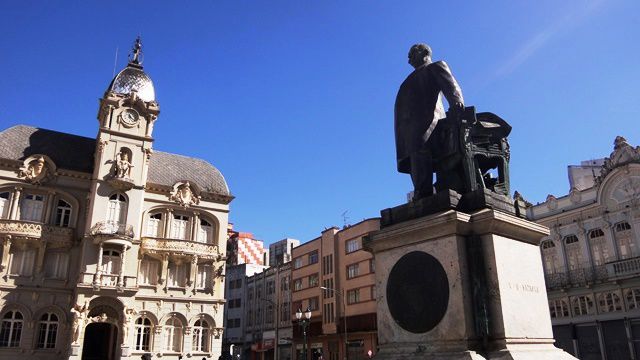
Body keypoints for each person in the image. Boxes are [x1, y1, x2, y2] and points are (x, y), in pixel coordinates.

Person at [394, 43, 464, 199]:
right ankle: (421, 192)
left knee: (422, 153)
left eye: (411, 53)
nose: (409, 59)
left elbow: (451, 86)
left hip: (429, 121)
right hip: (408, 129)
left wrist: (457, 102)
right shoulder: (407, 80)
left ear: (424, 52)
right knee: (415, 157)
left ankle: (424, 193)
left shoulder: (435, 67)